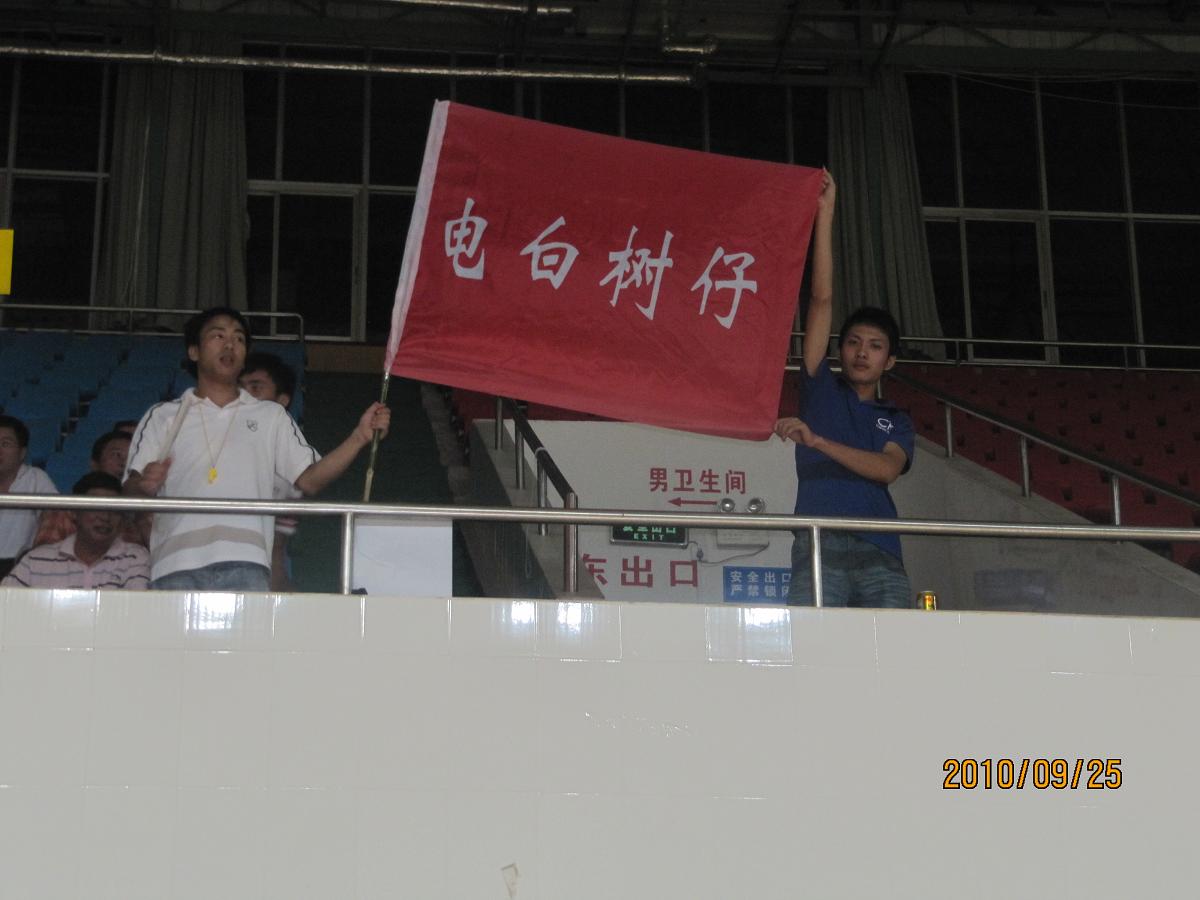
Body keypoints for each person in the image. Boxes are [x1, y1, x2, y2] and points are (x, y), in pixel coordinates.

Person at [123, 307, 390, 591]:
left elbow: (310, 480)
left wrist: (359, 437)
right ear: (194, 351)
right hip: (174, 563)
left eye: (239, 338)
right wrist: (144, 486)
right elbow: (130, 489)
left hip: (247, 561)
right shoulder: (163, 415)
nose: (230, 344)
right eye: (218, 336)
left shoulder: (270, 415)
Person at [773, 172, 915, 608]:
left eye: (875, 346)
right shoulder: (820, 387)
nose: (862, 352)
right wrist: (825, 213)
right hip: (820, 543)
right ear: (840, 349)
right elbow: (821, 300)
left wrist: (818, 442)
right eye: (853, 342)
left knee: (891, 647)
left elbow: (886, 470)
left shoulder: (897, 419)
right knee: (810, 645)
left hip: (880, 545)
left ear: (889, 361)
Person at [1, 472, 149, 590]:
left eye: (114, 509)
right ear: (73, 512)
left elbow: (136, 613)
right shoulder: (35, 561)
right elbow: (6, 605)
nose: (105, 517)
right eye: (97, 507)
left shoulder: (135, 558)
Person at [239, 351, 301, 592]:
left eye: (256, 387)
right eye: (240, 387)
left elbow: (274, 549)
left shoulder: (287, 456)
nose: (245, 395)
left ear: (282, 400)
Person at [33, 430, 140, 547]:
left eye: (132, 458)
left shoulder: (143, 512)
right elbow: (43, 555)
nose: (124, 464)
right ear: (94, 464)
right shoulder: (65, 512)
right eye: (117, 455)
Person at [0, 414, 59, 579]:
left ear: (22, 453)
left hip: (20, 566)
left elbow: (55, 517)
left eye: (5, 444)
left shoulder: (36, 478)